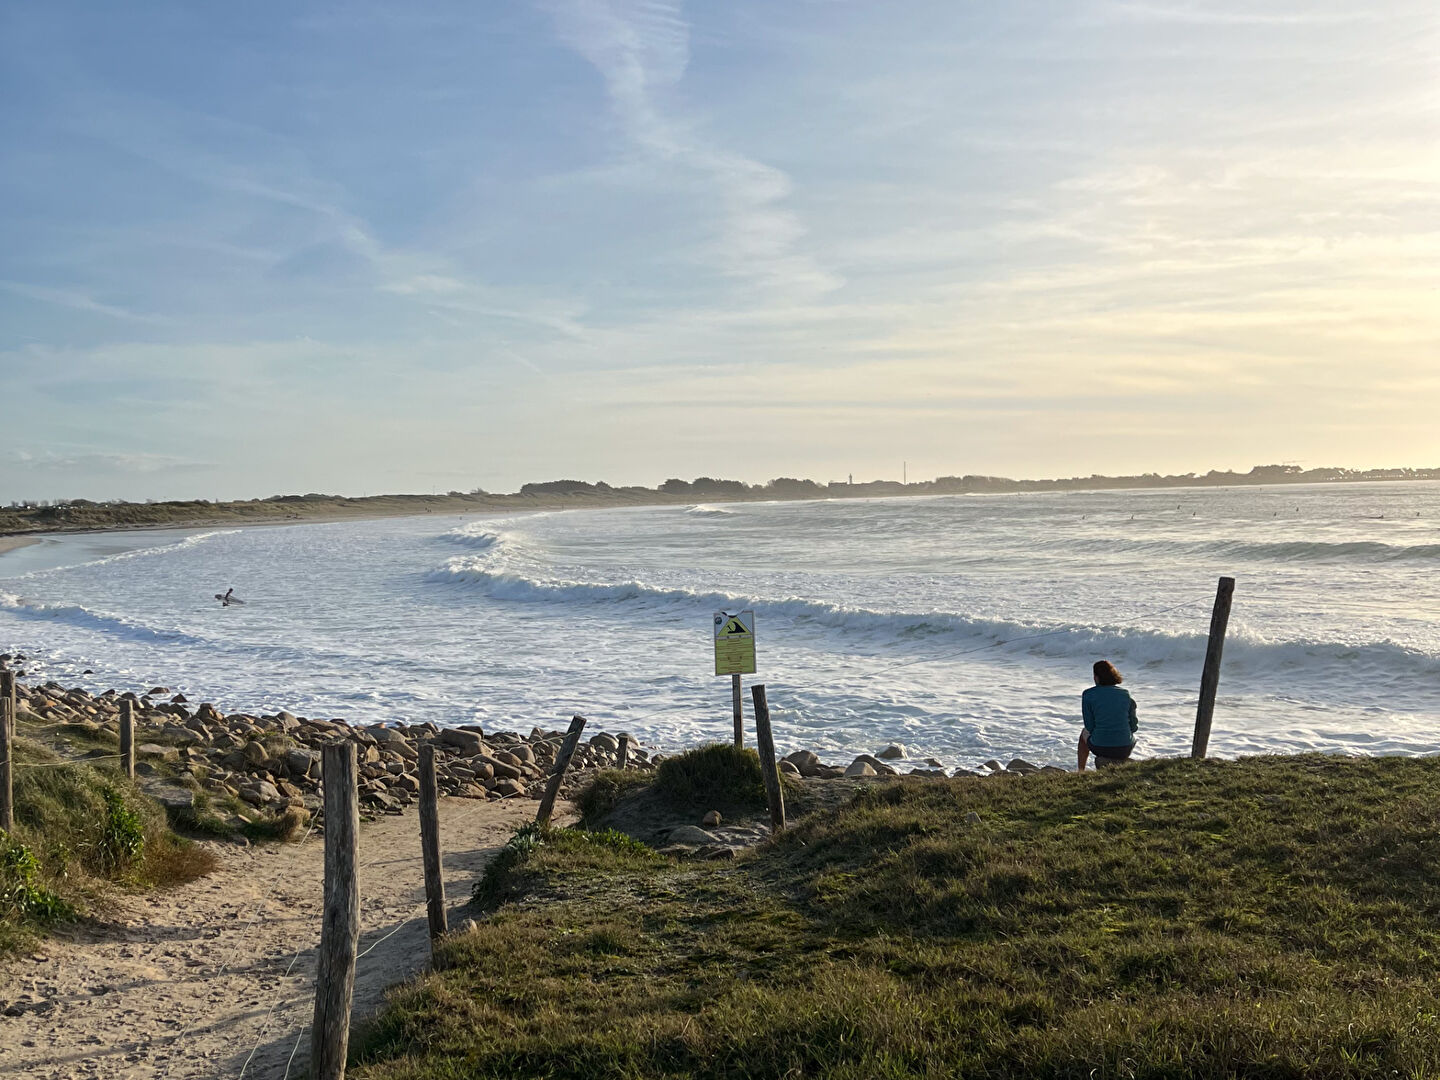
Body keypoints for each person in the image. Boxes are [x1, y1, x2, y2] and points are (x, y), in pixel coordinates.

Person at [1078, 660, 1137, 771]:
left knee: (1083, 734)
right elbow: (1133, 727)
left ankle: (1081, 771)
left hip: (1101, 747)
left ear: (1096, 677)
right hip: (1125, 748)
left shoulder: (1088, 694)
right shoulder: (1125, 694)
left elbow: (1089, 726)